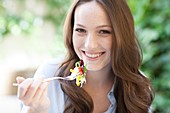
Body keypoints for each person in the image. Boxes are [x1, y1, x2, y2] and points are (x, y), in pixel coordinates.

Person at [16, 0, 154, 113]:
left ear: (122, 35)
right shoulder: (49, 75)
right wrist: (35, 109)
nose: (90, 45)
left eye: (104, 31)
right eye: (81, 30)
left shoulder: (137, 87)